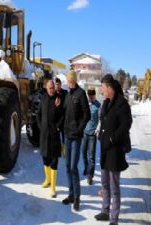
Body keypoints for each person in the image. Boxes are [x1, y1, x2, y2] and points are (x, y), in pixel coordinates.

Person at [94, 74, 132, 225]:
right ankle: (105, 211)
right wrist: (100, 132)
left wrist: (112, 138)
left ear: (109, 88)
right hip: (104, 149)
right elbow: (103, 121)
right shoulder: (106, 102)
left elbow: (126, 124)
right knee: (104, 183)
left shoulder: (122, 104)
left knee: (114, 186)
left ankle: (113, 219)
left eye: (103, 88)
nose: (102, 91)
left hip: (115, 151)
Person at [62, 70, 90, 211]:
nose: (67, 83)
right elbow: (65, 113)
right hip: (67, 136)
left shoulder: (81, 94)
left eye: (69, 81)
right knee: (67, 167)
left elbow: (87, 114)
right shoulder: (68, 94)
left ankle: (77, 197)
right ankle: (71, 194)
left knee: (73, 168)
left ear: (73, 81)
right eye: (67, 81)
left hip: (76, 137)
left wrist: (80, 130)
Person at [37, 80, 63, 198]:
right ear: (46, 88)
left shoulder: (58, 99)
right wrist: (40, 127)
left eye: (53, 88)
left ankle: (53, 187)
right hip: (44, 134)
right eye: (50, 88)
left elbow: (62, 116)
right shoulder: (43, 98)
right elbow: (38, 114)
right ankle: (47, 180)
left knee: (54, 160)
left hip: (54, 135)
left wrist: (57, 127)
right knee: (45, 158)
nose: (52, 90)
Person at [81, 88, 101, 185]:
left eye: (92, 96)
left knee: (91, 157)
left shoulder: (98, 105)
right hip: (84, 133)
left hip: (92, 135)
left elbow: (100, 120)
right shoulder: (85, 104)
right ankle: (86, 168)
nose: (90, 98)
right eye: (89, 96)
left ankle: (90, 176)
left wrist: (97, 130)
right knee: (83, 153)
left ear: (94, 95)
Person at [54, 77, 68, 156]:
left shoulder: (65, 93)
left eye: (58, 85)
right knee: (56, 136)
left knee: (64, 136)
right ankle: (57, 150)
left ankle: (64, 151)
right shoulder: (53, 93)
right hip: (56, 118)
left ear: (61, 85)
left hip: (63, 117)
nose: (57, 86)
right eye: (56, 85)